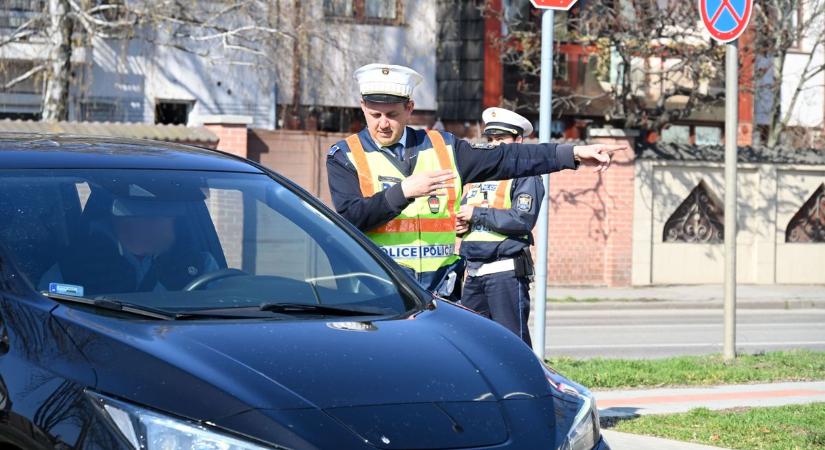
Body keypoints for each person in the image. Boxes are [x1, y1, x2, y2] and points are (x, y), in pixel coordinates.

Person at [326, 63, 625, 299]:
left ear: (409, 109)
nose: (382, 124)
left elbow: (507, 158)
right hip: (381, 290)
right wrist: (404, 191)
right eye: (374, 114)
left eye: (391, 114)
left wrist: (571, 154)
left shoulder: (444, 147)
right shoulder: (345, 156)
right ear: (363, 107)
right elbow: (352, 217)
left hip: (438, 293)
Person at [457, 107, 542, 345]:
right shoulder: (480, 173)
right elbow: (467, 213)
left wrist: (476, 214)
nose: (495, 145)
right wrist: (460, 225)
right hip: (474, 271)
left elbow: (522, 219)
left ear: (518, 140)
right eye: (491, 139)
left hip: (504, 272)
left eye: (501, 139)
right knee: (472, 343)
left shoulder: (526, 174)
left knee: (512, 343)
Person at [39, 196, 218, 295]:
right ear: (113, 218)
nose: (146, 225)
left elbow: (224, 306)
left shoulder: (201, 265)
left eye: (157, 216)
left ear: (174, 220)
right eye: (134, 213)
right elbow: (47, 314)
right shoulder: (74, 267)